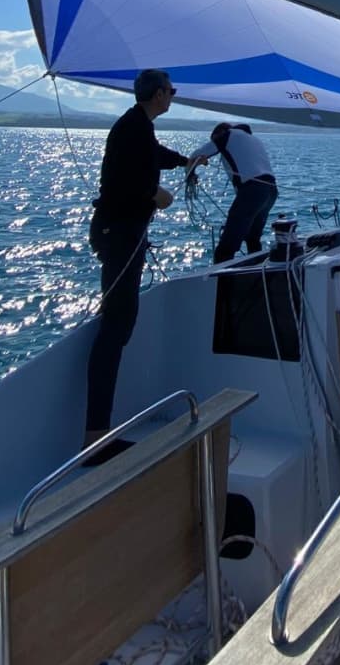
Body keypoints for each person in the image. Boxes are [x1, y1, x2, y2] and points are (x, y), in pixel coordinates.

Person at [83, 69, 194, 460]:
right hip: (120, 235)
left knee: (120, 323)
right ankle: (96, 438)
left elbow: (151, 157)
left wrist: (185, 161)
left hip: (122, 234)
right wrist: (155, 196)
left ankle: (98, 432)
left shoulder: (137, 127)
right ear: (161, 93)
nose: (173, 96)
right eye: (172, 91)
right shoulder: (133, 128)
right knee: (116, 326)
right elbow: (128, 183)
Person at [186, 123, 277, 263]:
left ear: (218, 134)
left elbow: (196, 155)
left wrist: (189, 173)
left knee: (225, 249)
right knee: (253, 240)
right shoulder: (253, 139)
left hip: (253, 190)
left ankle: (221, 283)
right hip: (271, 191)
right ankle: (257, 277)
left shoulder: (226, 135)